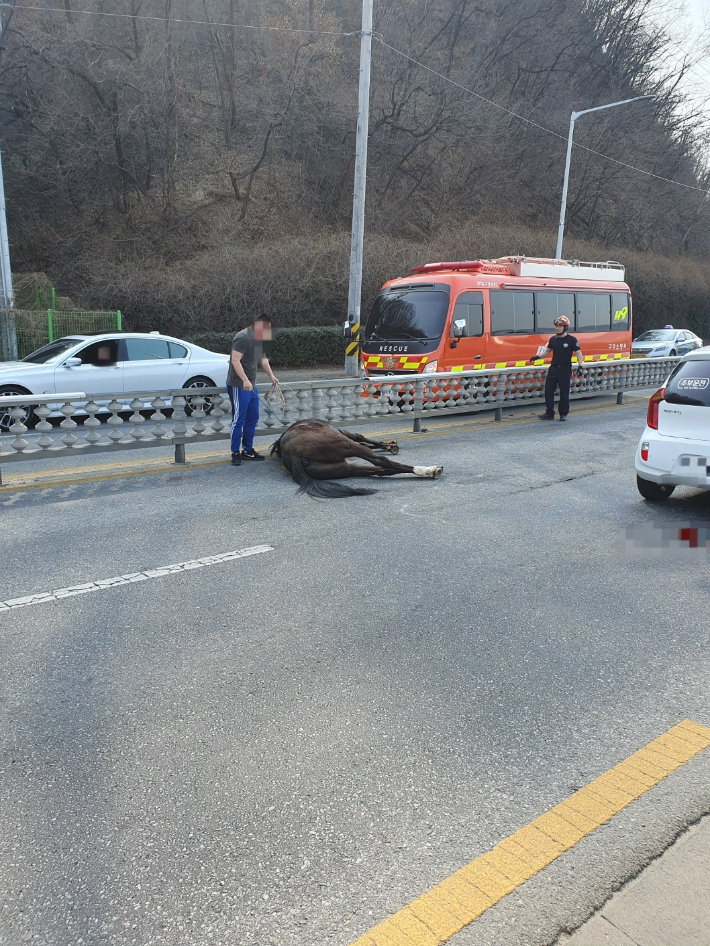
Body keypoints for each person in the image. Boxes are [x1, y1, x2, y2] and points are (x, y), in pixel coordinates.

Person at [227, 315, 279, 465]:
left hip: (252, 386)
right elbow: (234, 360)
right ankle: (235, 452)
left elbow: (262, 359)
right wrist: (244, 380)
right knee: (238, 420)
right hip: (238, 385)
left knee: (253, 418)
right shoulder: (242, 337)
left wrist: (271, 376)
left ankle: (248, 450)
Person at [530, 316, 584, 422]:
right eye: (556, 326)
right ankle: (549, 413)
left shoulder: (571, 340)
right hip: (553, 368)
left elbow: (578, 353)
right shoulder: (553, 339)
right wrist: (538, 357)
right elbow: (548, 351)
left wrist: (580, 366)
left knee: (564, 393)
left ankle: (563, 413)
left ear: (565, 327)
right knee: (548, 391)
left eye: (560, 326)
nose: (557, 328)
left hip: (565, 369)